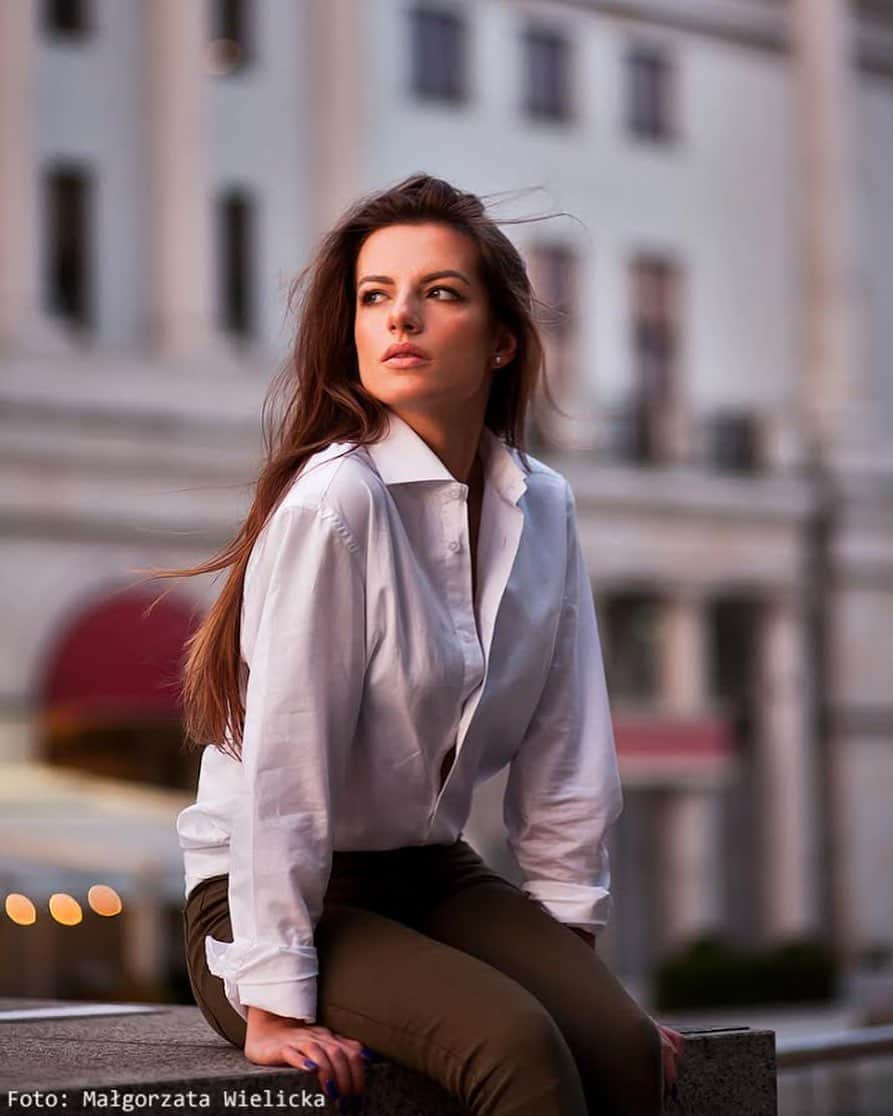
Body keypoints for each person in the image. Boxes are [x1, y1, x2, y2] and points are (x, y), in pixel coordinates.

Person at [163, 174, 684, 1115]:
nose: (400, 316)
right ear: (352, 331)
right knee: (519, 1051)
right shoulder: (338, 504)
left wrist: (573, 954)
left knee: (621, 1049)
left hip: (430, 870)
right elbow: (285, 770)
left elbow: (569, 744)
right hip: (265, 894)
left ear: (502, 339)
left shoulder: (542, 505)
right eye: (374, 297)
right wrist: (273, 997)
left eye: (438, 292)